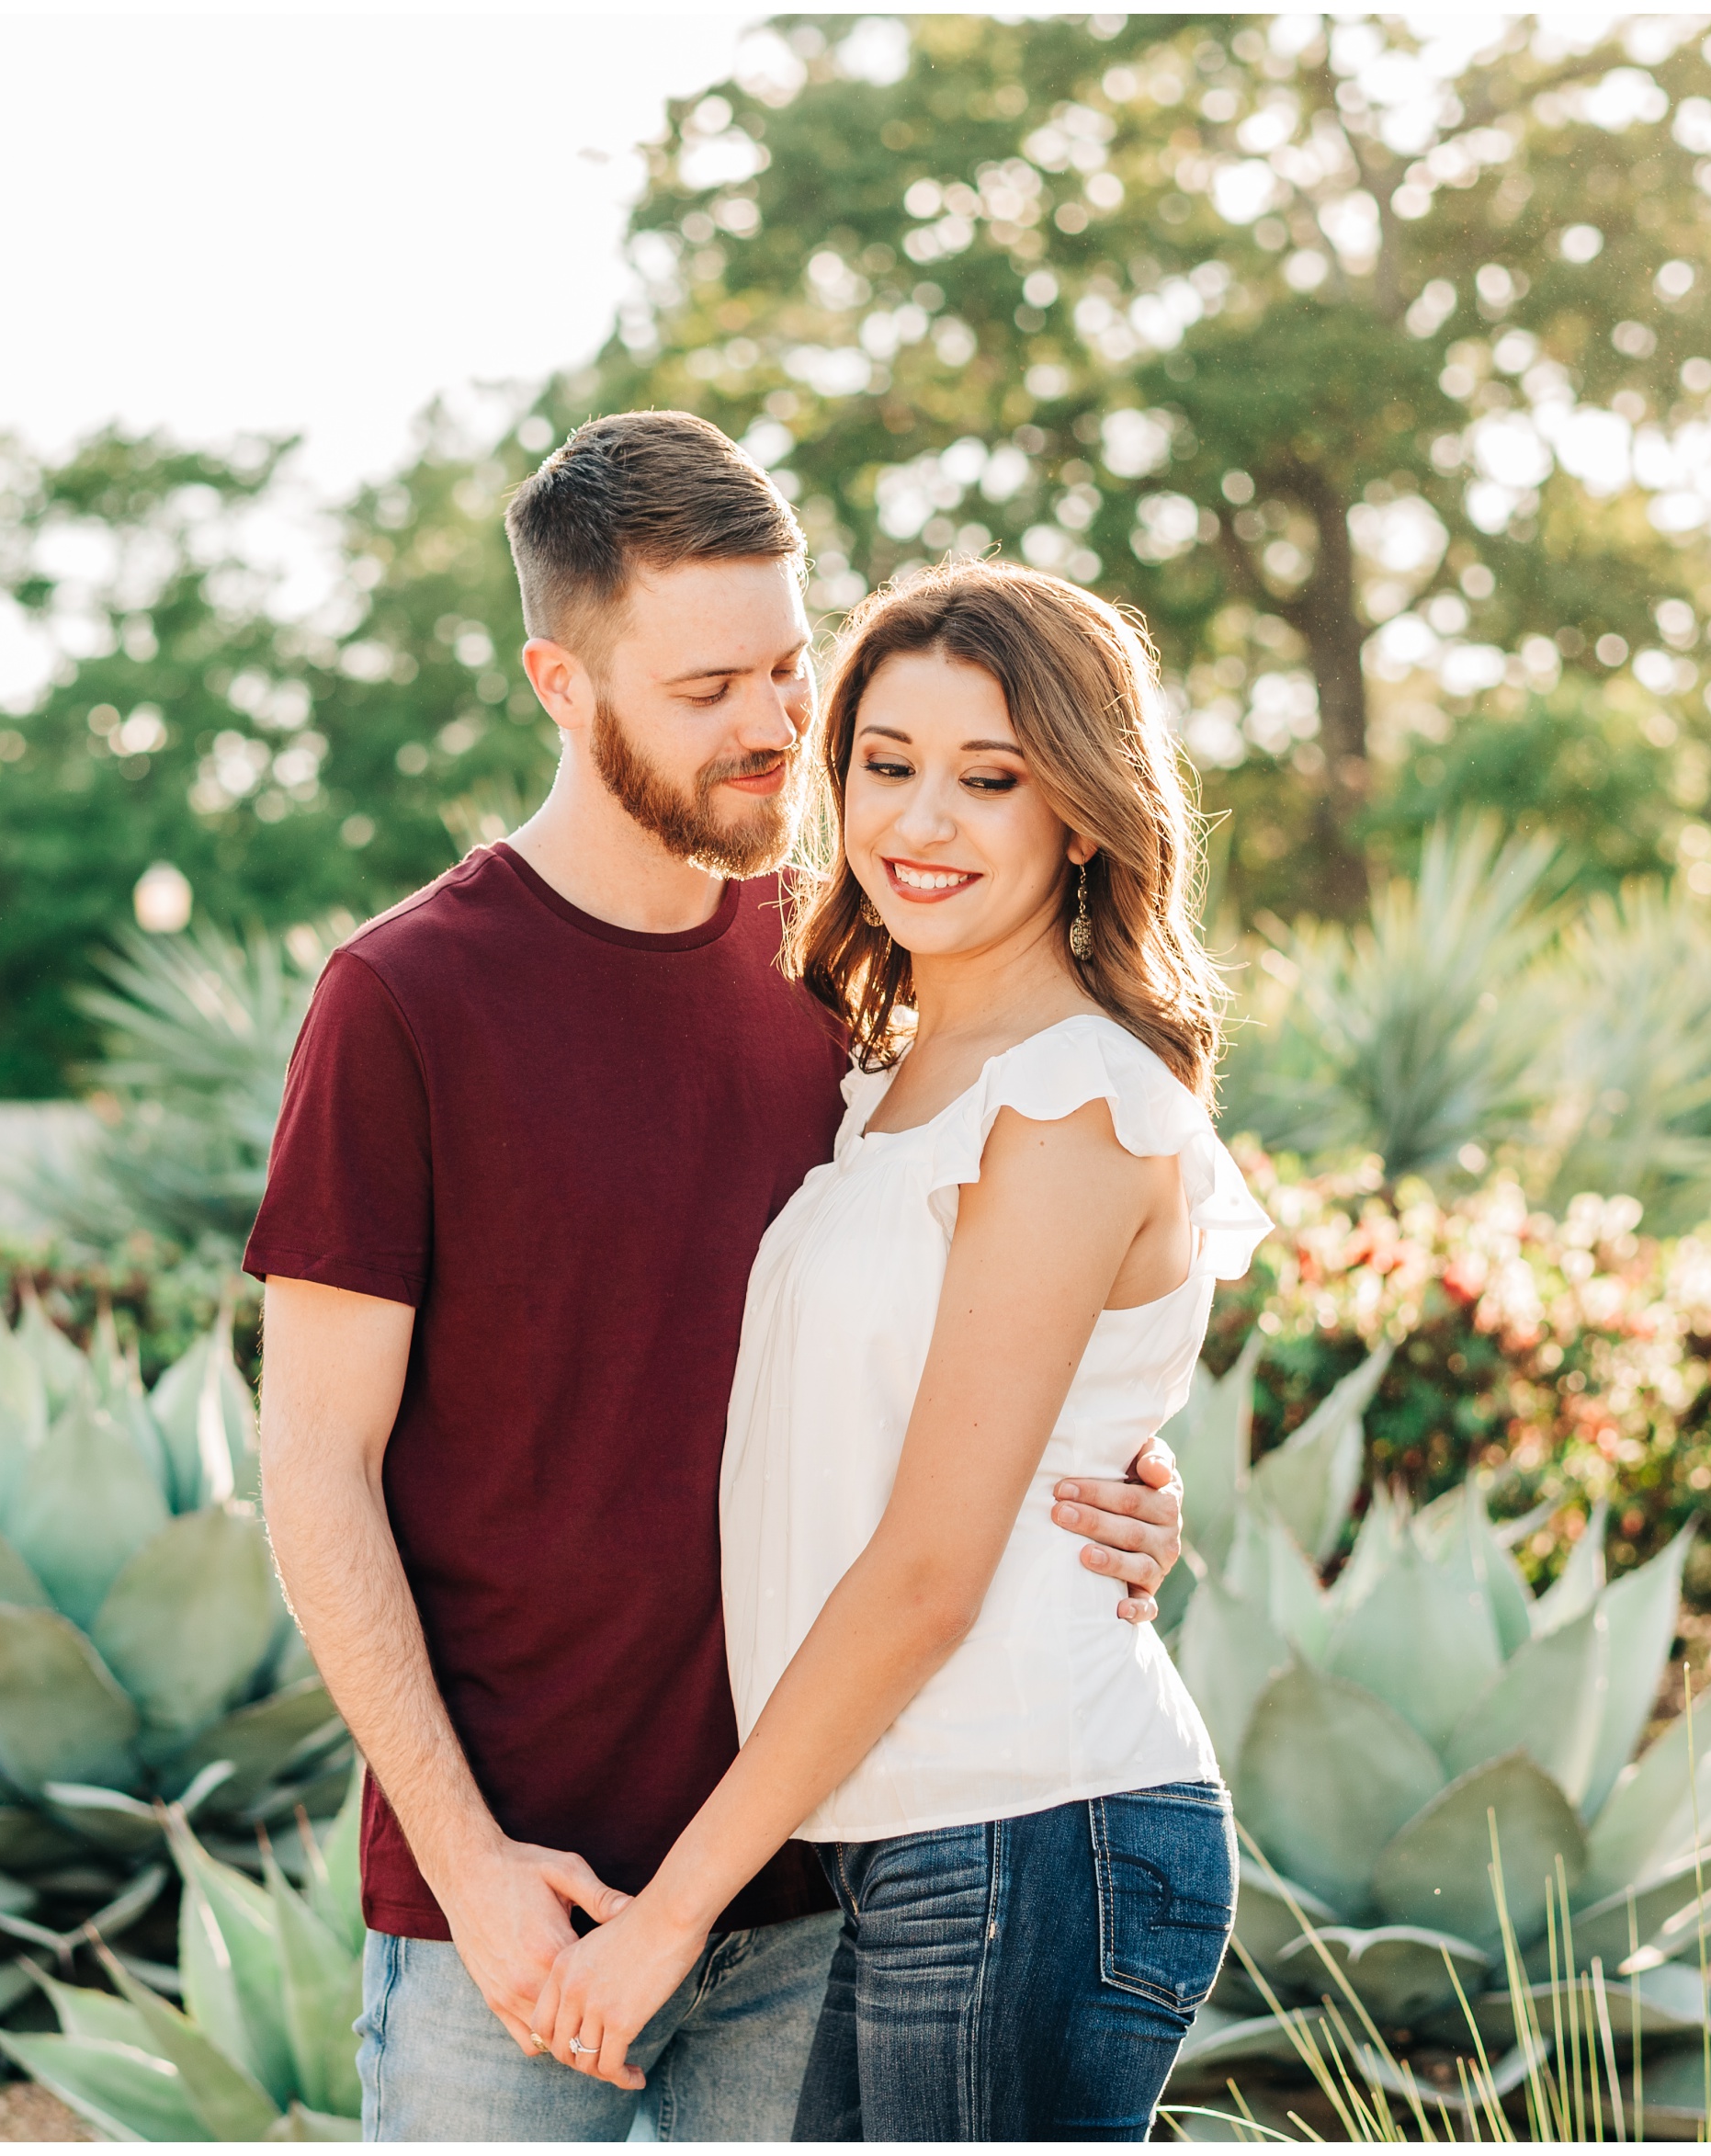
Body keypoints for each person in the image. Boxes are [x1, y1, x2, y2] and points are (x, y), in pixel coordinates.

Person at [248, 414, 1190, 2143]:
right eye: (705, 690)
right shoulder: (405, 1001)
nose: (771, 725)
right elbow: (313, 1466)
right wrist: (471, 1868)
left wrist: (1115, 1462)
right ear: (562, 679)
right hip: (508, 1906)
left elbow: (970, 1324)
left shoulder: (852, 969)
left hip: (823, 1882)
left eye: (787, 664)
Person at [519, 558, 1268, 2139]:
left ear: (1081, 809)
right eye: (887, 763)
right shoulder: (894, 1080)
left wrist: (667, 1917)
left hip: (1025, 1821)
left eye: (990, 778)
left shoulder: (1066, 1098)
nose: (923, 822)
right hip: (933, 1841)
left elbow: (932, 1568)